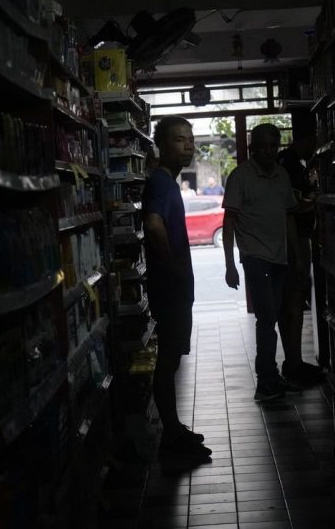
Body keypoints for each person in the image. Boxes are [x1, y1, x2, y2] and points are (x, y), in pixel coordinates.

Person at [142, 116, 211, 459]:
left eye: (190, 140)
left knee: (171, 360)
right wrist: (172, 268)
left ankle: (174, 428)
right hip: (170, 287)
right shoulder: (160, 182)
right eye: (179, 140)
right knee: (168, 361)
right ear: (162, 145)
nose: (188, 146)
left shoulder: (168, 181)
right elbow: (154, 225)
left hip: (174, 286)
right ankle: (171, 435)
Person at [222, 124, 302, 402]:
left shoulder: (282, 175)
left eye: (273, 146)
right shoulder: (240, 176)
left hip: (280, 257)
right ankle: (266, 380)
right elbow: (229, 222)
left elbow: (289, 217)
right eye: (262, 146)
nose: (268, 151)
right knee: (267, 318)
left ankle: (275, 375)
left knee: (277, 316)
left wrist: (296, 256)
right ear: (252, 148)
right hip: (255, 258)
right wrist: (230, 265)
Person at [277, 134, 324, 386]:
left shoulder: (287, 163)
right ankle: (294, 363)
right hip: (294, 240)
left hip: (290, 241)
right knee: (294, 304)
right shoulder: (291, 166)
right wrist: (315, 197)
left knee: (290, 306)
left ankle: (293, 361)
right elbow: (294, 208)